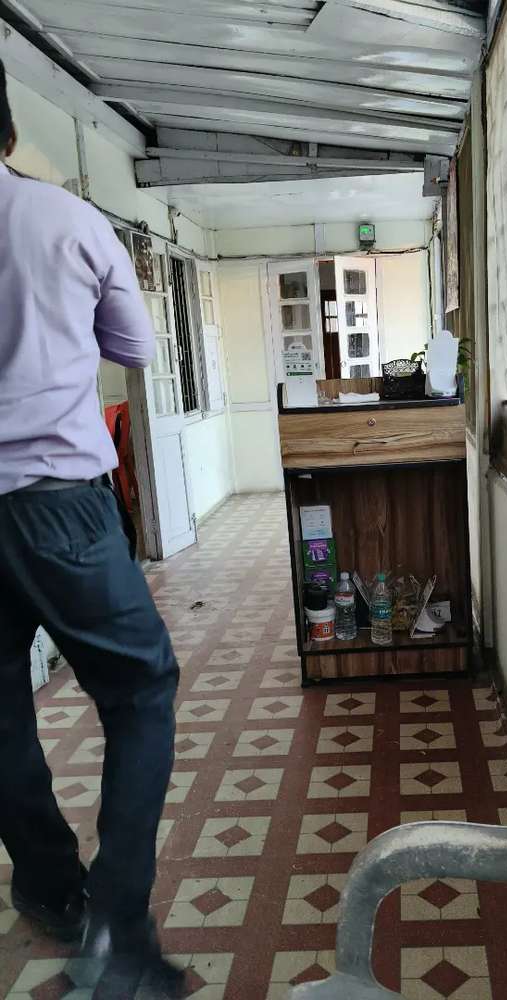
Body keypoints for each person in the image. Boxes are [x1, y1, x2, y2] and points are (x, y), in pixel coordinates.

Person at [0, 60, 183, 999]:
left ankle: (49, 887)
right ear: (5, 127)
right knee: (140, 691)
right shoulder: (68, 221)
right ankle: (116, 930)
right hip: (59, 504)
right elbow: (136, 350)